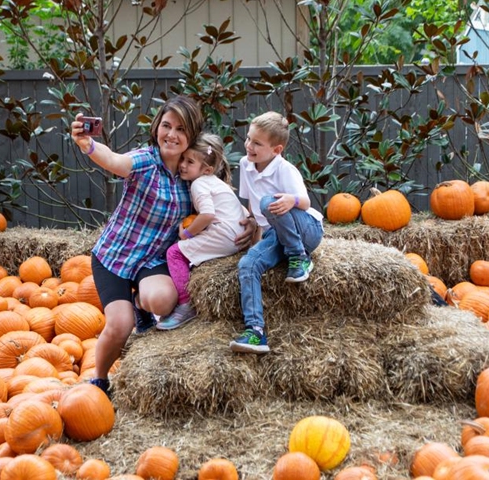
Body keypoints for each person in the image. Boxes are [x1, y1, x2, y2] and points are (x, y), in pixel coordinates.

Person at [69, 96, 203, 396]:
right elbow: (115, 161)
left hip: (151, 260)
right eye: (166, 126)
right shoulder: (146, 160)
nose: (171, 134)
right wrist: (88, 145)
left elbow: (219, 200)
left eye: (181, 129)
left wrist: (246, 222)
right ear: (156, 128)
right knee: (119, 325)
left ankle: (142, 305)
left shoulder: (192, 175)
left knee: (164, 301)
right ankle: (100, 380)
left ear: (191, 135)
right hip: (115, 257)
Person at [230, 111, 325, 354]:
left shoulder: (285, 170)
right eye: (249, 139)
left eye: (257, 143)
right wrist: (252, 228)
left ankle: (300, 258)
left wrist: (290, 200)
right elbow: (252, 204)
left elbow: (305, 202)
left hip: (306, 231)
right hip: (276, 233)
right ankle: (255, 331)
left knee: (267, 202)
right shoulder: (245, 164)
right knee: (248, 264)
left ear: (276, 149)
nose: (249, 146)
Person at [157, 133, 248, 331]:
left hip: (224, 236)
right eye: (183, 159)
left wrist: (186, 234)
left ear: (206, 169)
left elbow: (207, 214)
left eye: (190, 162)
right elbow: (240, 209)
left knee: (174, 252)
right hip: (236, 235)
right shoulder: (217, 182)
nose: (182, 165)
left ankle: (185, 304)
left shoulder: (199, 184)